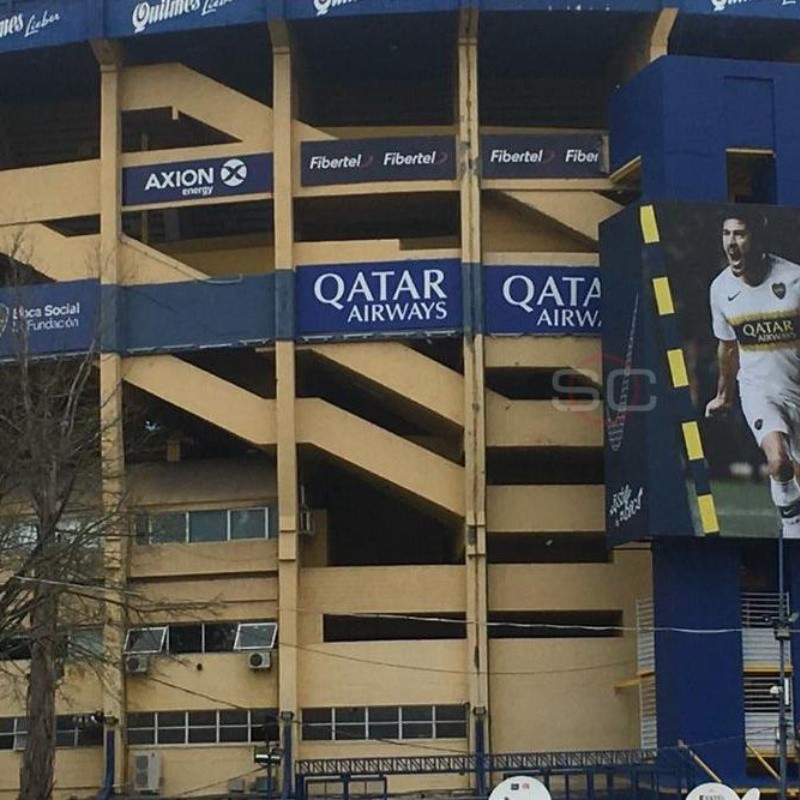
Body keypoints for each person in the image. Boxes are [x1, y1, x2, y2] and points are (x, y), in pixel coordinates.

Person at [705, 211, 800, 538]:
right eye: (726, 234)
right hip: (758, 390)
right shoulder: (720, 289)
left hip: (796, 387)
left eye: (740, 234)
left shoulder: (793, 280)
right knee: (779, 463)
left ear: (757, 237)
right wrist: (724, 395)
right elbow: (728, 348)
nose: (732, 242)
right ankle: (791, 526)